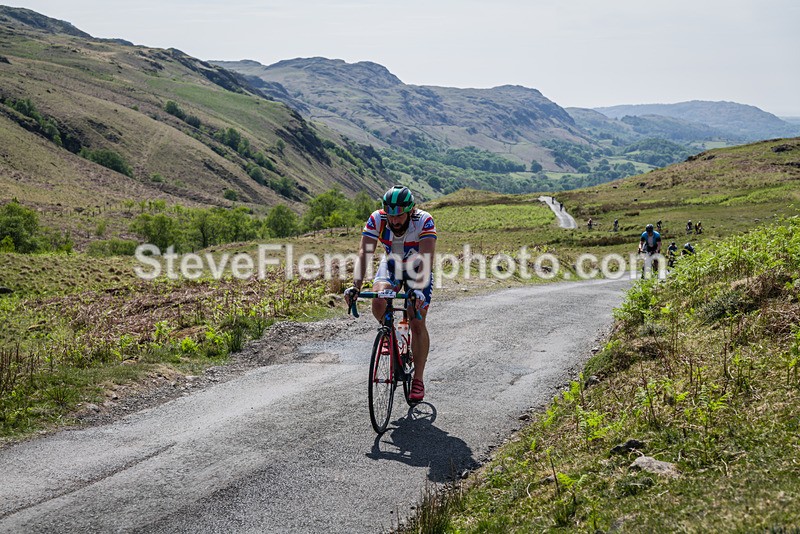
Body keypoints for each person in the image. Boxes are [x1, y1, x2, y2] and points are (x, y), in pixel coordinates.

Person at [344, 186, 436, 403]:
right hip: (392, 264)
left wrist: (416, 292)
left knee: (416, 319)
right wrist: (356, 286)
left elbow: (426, 258)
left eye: (399, 216)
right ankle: (390, 335)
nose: (394, 221)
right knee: (378, 301)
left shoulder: (424, 221)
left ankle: (418, 379)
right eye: (391, 216)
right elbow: (364, 252)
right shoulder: (377, 219)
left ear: (411, 211)